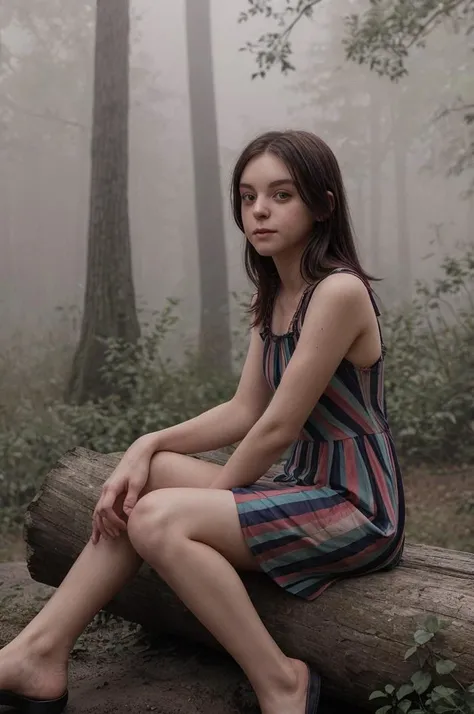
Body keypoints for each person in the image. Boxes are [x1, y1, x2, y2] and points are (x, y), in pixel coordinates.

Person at [0, 130, 405, 714]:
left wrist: (215, 499)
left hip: (357, 505)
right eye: (247, 196)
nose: (259, 210)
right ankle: (38, 653)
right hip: (304, 486)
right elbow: (244, 410)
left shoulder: (338, 292)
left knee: (159, 519)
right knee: (156, 473)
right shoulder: (275, 296)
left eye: (281, 194)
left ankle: (282, 682)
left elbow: (275, 429)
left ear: (323, 204)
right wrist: (146, 444)